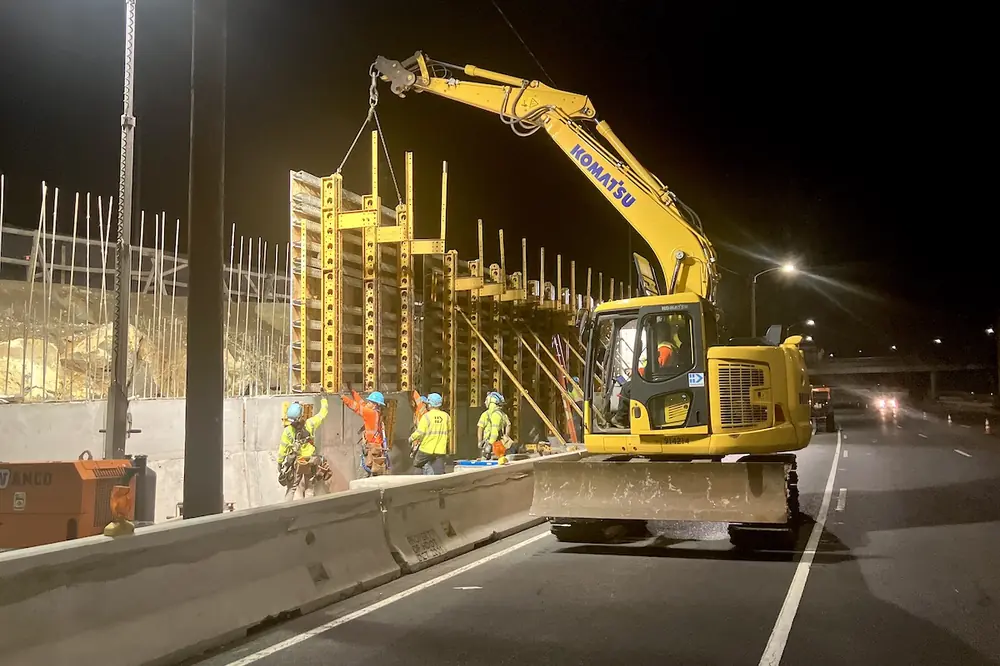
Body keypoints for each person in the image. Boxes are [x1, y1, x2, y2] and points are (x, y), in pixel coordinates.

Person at [278, 397, 330, 500]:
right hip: (310, 462)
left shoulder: (287, 431)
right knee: (309, 488)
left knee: (291, 488)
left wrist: (280, 463)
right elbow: (322, 413)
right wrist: (324, 398)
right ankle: (308, 511)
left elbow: (282, 450)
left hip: (296, 463)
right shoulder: (310, 424)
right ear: (301, 415)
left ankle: (285, 510)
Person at [342, 389, 389, 476]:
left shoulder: (371, 413)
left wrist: (343, 397)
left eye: (370, 402)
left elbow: (356, 407)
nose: (367, 404)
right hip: (375, 447)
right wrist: (353, 392)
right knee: (372, 471)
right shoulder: (375, 413)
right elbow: (361, 403)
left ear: (375, 405)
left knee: (366, 472)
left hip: (372, 448)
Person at [409, 392, 451, 475]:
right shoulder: (446, 416)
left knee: (417, 464)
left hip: (426, 449)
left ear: (430, 404)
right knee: (439, 471)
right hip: (440, 450)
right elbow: (449, 434)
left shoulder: (426, 416)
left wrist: (411, 438)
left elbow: (420, 433)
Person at [477, 391, 513, 459]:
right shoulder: (502, 414)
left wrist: (481, 441)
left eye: (486, 400)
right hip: (498, 443)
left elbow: (492, 432)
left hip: (491, 444)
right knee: (500, 461)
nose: (485, 402)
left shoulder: (488, 414)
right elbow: (509, 424)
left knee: (489, 461)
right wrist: (506, 436)